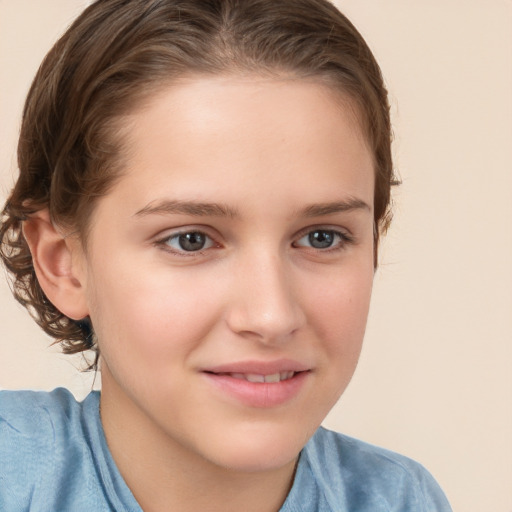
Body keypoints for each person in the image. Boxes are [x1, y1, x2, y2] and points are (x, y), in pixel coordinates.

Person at [0, 0, 453, 510]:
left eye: (321, 237)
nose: (271, 316)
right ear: (64, 264)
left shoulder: (401, 500)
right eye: (190, 239)